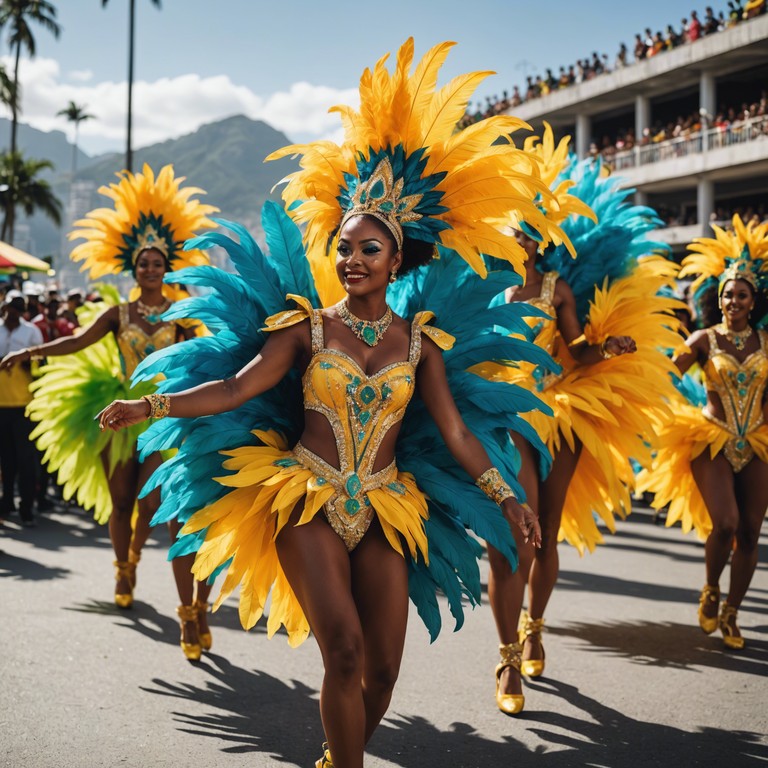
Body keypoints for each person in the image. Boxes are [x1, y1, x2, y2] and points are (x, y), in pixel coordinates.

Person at [97, 39, 566, 768]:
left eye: (369, 250)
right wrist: (150, 405)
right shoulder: (307, 329)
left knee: (382, 673)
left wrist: (506, 498)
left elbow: (456, 434)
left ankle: (334, 755)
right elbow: (235, 386)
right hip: (306, 495)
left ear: (397, 259)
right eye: (344, 247)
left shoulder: (422, 345)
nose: (352, 260)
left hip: (385, 503)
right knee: (342, 654)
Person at [485, 131, 684, 715]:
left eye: (527, 228)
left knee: (546, 527)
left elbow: (574, 352)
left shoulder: (556, 288)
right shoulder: (483, 288)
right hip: (503, 417)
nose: (518, 236)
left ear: (538, 236)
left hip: (557, 412)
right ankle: (505, 656)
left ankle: (535, 625)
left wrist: (607, 347)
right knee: (511, 536)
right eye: (510, 227)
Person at [0, 165, 219, 661]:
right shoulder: (117, 314)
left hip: (163, 417)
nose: (149, 269)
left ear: (167, 268)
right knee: (121, 502)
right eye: (143, 263)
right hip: (122, 413)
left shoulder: (182, 315)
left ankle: (172, 590)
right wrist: (29, 353)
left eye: (157, 263)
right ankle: (125, 565)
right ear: (133, 268)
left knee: (160, 506)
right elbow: (75, 340)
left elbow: (206, 358)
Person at [638, 215, 768, 650]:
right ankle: (712, 586)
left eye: (741, 295)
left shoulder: (765, 344)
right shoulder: (702, 339)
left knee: (751, 530)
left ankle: (732, 611)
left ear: (754, 301)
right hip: (710, 435)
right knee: (727, 522)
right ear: (720, 298)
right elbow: (662, 375)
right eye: (727, 294)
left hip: (757, 439)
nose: (733, 301)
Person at [0, 290, 44, 526]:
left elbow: (43, 363)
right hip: (1, 405)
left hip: (25, 406)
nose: (13, 311)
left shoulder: (31, 332)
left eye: (19, 307)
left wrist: (25, 361)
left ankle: (27, 508)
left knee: (26, 460)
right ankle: (6, 503)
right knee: (6, 460)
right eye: (11, 306)